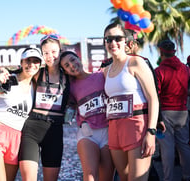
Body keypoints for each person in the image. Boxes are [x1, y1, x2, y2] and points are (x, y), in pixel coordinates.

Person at [0, 47, 42, 181]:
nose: (31, 64)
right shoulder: (8, 80)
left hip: (17, 138)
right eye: (28, 60)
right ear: (21, 62)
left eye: (35, 61)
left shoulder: (37, 86)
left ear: (40, 65)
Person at [102, 22, 159, 181]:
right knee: (124, 178)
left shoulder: (135, 62)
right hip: (114, 129)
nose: (113, 43)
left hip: (137, 126)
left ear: (125, 40)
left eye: (117, 38)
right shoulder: (106, 71)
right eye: (108, 39)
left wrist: (151, 131)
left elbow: (153, 98)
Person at [18, 35, 70, 181]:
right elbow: (18, 75)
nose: (50, 56)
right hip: (31, 129)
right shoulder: (37, 73)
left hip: (54, 131)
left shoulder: (69, 75)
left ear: (61, 51)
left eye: (54, 52)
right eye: (45, 53)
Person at [59, 51, 114, 181]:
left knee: (106, 177)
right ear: (65, 71)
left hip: (108, 132)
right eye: (67, 65)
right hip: (88, 134)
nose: (72, 65)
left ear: (79, 58)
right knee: (90, 175)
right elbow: (69, 110)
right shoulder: (69, 88)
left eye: (73, 60)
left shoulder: (102, 75)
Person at [155, 40, 190, 181]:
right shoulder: (185, 69)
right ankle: (187, 176)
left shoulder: (158, 71)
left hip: (165, 112)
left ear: (161, 52)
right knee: (184, 145)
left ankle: (168, 178)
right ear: (174, 51)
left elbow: (155, 94)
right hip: (183, 111)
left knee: (167, 148)